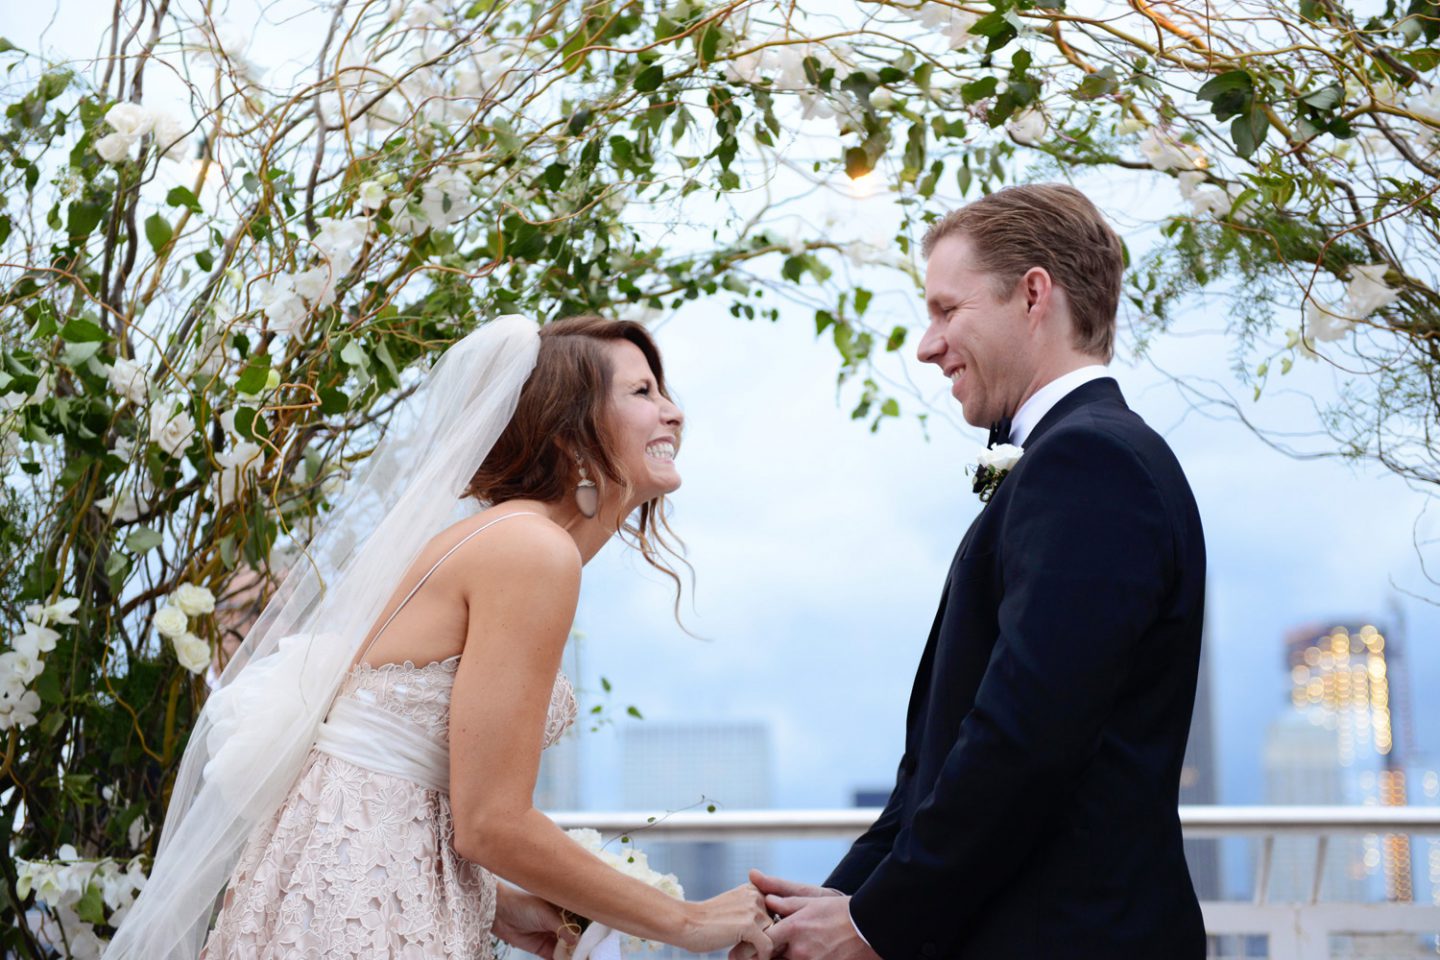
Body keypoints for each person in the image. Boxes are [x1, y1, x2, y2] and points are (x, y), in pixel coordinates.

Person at [108, 315, 773, 960]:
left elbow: (399, 779)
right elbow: (491, 822)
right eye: (641, 392)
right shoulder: (532, 549)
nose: (673, 411)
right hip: (368, 900)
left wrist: (502, 905)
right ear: (571, 434)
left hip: (346, 879)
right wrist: (686, 921)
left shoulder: (501, 539)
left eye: (663, 390)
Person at [751, 185, 1208, 959]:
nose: (926, 345)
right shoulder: (1071, 461)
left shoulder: (1090, 462)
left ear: (1033, 294)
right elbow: (939, 763)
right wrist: (835, 908)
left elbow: (1026, 740)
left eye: (945, 309)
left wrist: (875, 923)